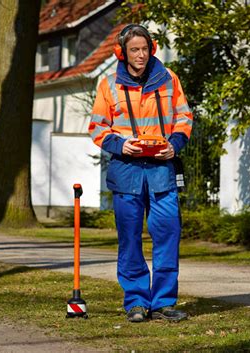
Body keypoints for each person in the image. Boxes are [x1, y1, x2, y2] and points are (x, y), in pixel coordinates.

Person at [89, 24, 193, 323]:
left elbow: (184, 117)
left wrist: (174, 145)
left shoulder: (169, 79)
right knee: (130, 239)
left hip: (162, 170)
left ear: (153, 49)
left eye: (145, 49)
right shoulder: (108, 85)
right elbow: (97, 127)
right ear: (122, 52)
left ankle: (162, 303)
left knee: (168, 235)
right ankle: (136, 302)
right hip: (127, 171)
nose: (141, 55)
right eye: (134, 49)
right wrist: (122, 145)